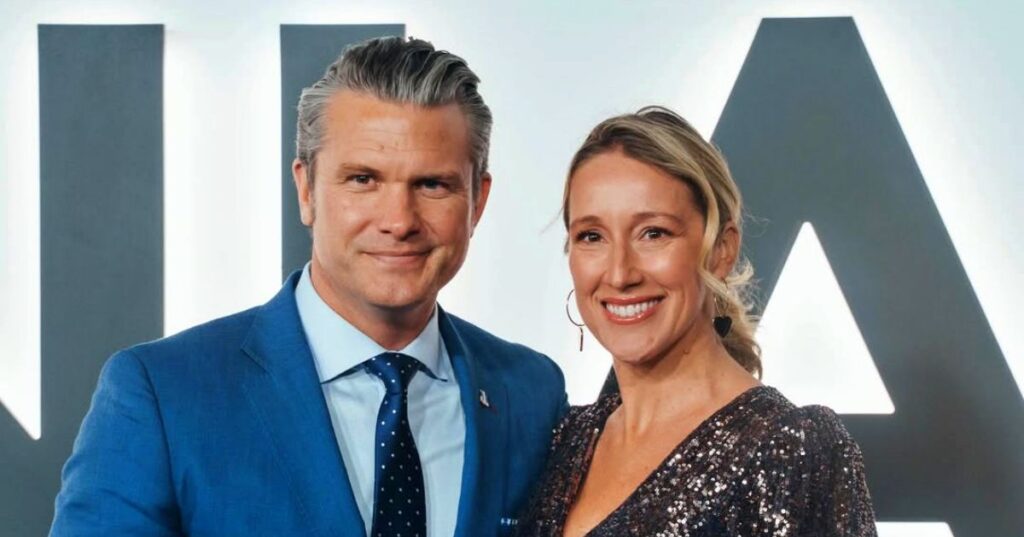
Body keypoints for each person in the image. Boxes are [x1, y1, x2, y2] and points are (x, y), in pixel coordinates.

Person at [50, 36, 567, 537]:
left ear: (477, 200)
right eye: (363, 179)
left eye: (432, 184)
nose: (398, 220)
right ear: (306, 189)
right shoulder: (162, 394)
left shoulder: (530, 392)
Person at [514, 106, 876, 536]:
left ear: (721, 249)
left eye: (654, 233)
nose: (619, 273)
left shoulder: (793, 449)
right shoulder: (563, 441)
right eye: (591, 236)